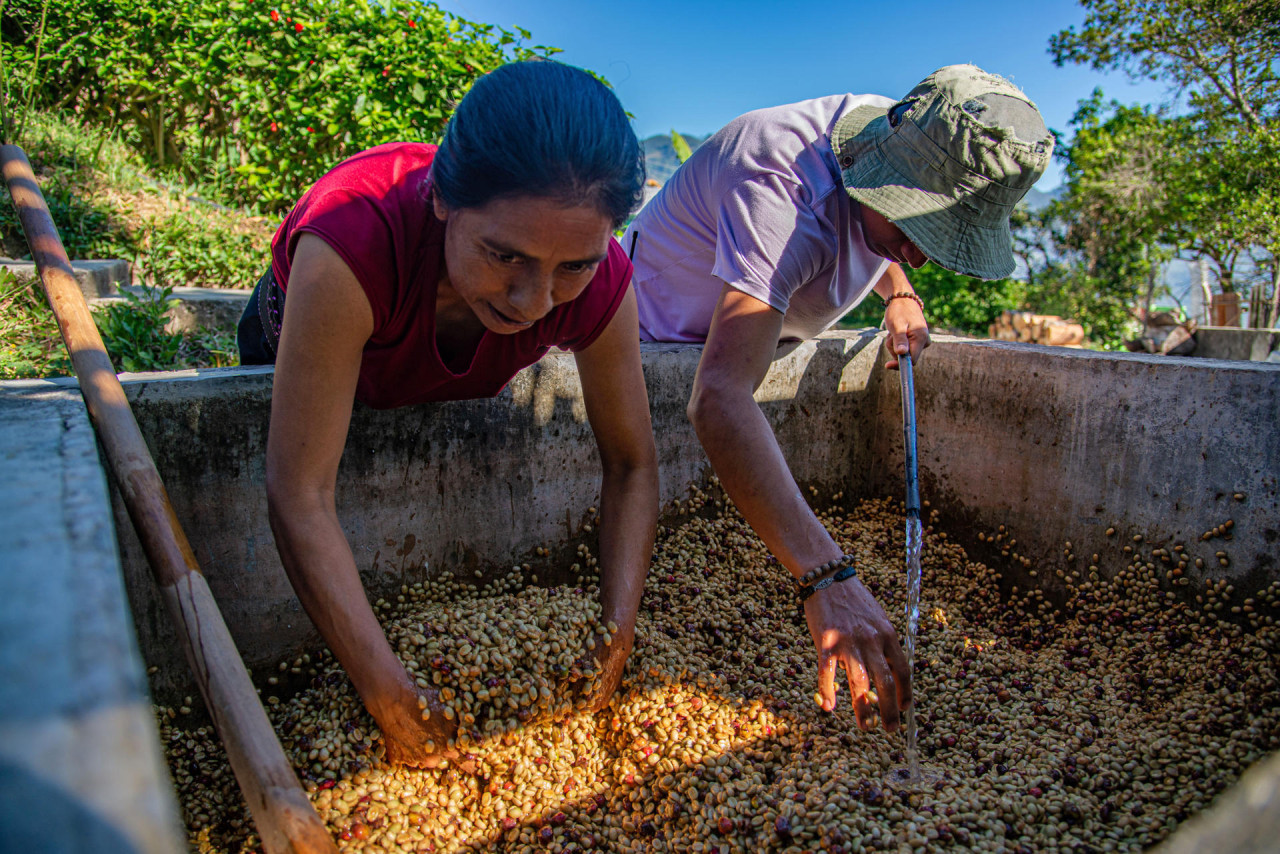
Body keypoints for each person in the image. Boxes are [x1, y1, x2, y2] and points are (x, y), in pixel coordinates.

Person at [237, 61, 659, 768]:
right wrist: (387, 692)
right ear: (441, 201)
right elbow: (300, 492)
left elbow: (633, 461)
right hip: (309, 334)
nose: (532, 300)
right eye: (504, 255)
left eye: (572, 267)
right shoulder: (354, 234)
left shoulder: (601, 278)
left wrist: (614, 635)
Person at [623, 64, 1052, 734]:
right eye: (915, 228)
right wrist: (829, 580)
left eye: (939, 237)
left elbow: (884, 231)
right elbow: (719, 399)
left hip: (771, 316)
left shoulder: (912, 126)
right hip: (660, 330)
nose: (921, 251)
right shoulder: (778, 191)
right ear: (874, 169)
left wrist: (900, 292)